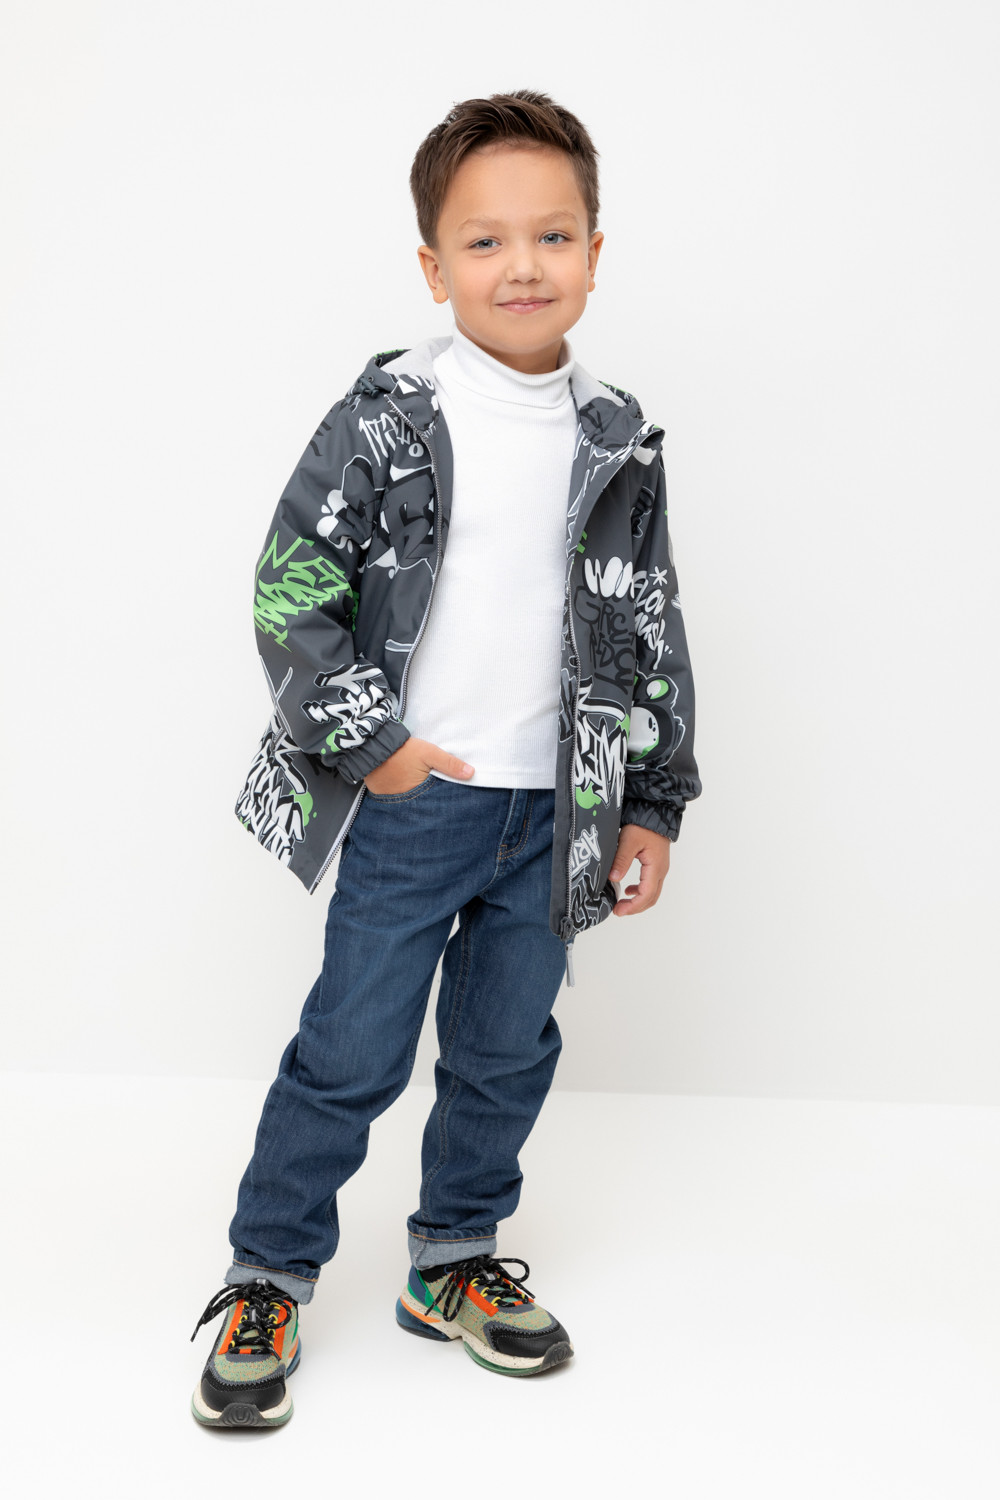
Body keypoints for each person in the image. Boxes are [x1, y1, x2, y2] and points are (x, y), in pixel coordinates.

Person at [190, 89, 702, 1428]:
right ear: (434, 267)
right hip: (421, 799)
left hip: (560, 810)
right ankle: (267, 1273)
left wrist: (652, 800)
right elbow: (289, 592)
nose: (522, 265)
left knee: (504, 1049)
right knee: (352, 1047)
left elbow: (649, 618)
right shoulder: (389, 417)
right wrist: (379, 749)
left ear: (595, 251)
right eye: (485, 242)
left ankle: (454, 1257)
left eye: (552, 235)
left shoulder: (619, 434)